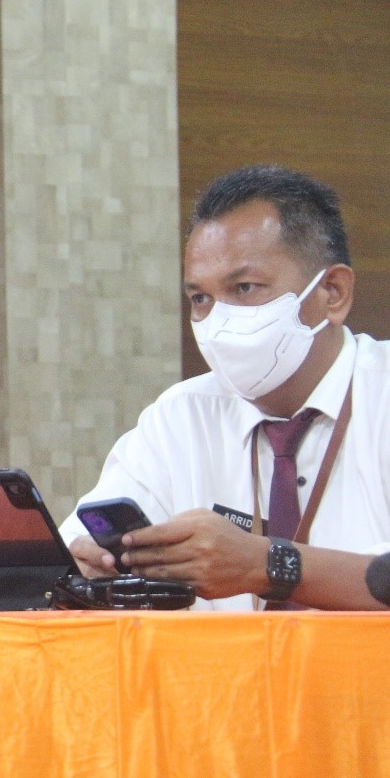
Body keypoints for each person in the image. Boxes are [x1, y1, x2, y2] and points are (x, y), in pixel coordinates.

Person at [60, 165, 390, 610]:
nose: (218, 320)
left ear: (333, 292)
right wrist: (86, 571)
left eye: (245, 287)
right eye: (201, 298)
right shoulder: (181, 416)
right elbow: (75, 550)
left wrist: (268, 566)